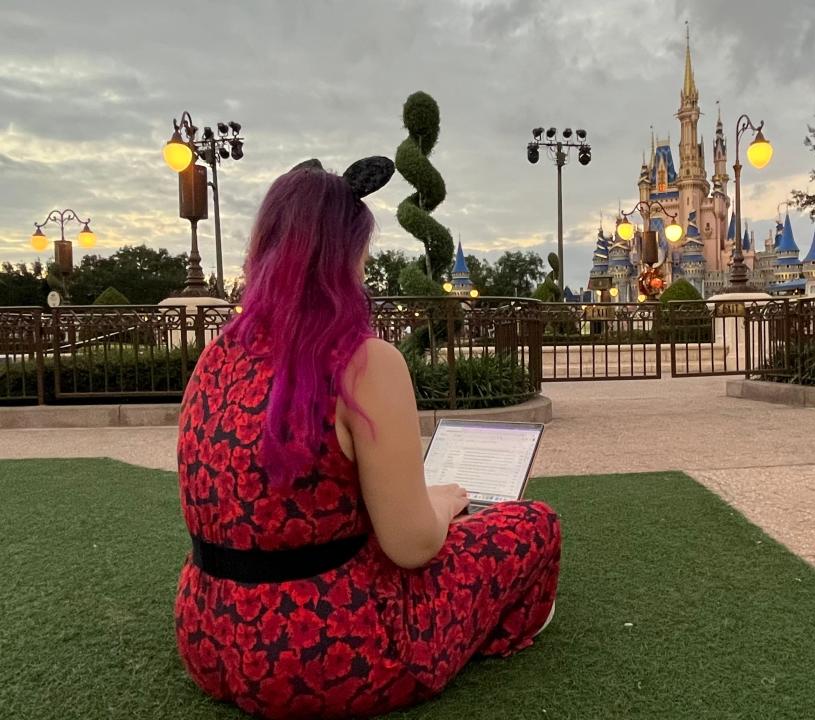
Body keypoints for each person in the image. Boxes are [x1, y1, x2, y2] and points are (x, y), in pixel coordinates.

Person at [174, 158, 561, 719]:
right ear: (348, 256)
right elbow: (411, 547)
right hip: (325, 655)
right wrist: (442, 505)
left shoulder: (216, 356)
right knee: (533, 524)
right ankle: (479, 634)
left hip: (207, 638)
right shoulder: (363, 363)